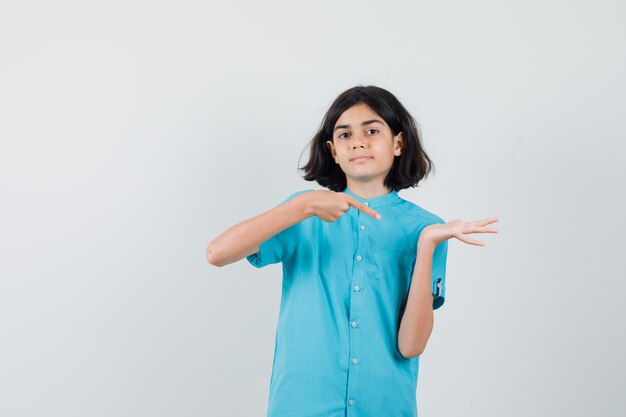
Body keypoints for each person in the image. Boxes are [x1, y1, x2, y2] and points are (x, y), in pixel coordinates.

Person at [206, 85, 498, 417]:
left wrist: (428, 245)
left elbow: (411, 346)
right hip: (301, 405)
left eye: (372, 130)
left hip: (385, 406)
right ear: (332, 150)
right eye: (344, 135)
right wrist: (302, 206)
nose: (358, 141)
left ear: (398, 143)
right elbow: (217, 253)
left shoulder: (426, 228)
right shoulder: (303, 213)